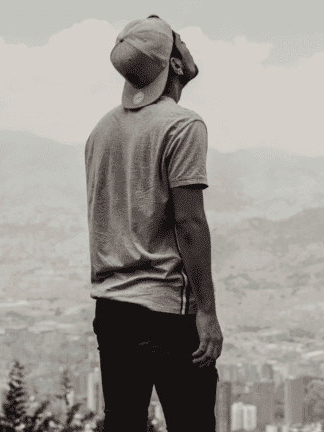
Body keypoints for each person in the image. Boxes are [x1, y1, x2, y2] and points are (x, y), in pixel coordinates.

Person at [84, 15, 223, 432]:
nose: (186, 43)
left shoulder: (101, 131)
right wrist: (207, 312)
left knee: (124, 423)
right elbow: (189, 222)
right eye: (180, 39)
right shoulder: (182, 125)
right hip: (165, 313)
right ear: (174, 64)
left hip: (112, 311)